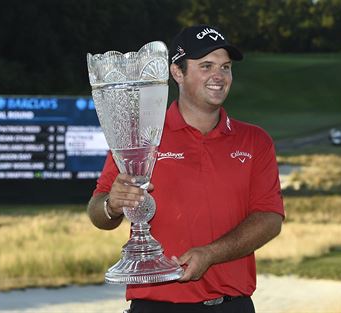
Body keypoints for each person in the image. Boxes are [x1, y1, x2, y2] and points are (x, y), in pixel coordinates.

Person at [87, 24, 285, 313]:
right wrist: (112, 206)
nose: (219, 76)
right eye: (206, 66)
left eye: (225, 67)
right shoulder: (140, 136)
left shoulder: (255, 141)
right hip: (156, 306)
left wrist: (211, 254)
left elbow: (270, 218)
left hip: (231, 306)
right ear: (177, 72)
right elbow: (97, 211)